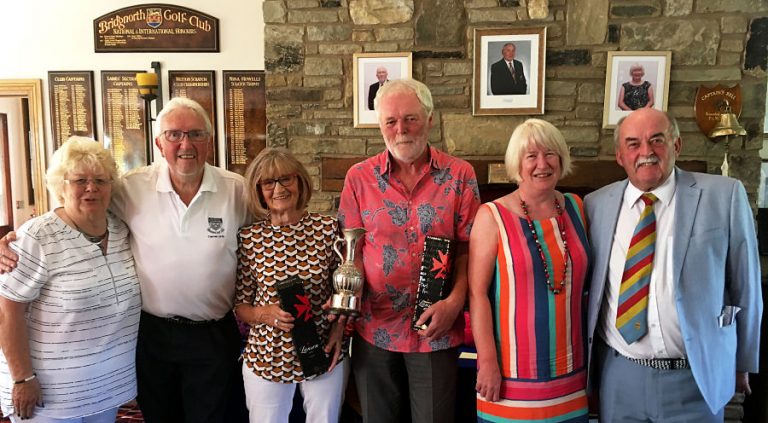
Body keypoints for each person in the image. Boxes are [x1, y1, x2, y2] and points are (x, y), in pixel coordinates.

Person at [584, 108, 762, 422]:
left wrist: (743, 362)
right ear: (620, 156)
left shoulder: (724, 195)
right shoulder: (595, 204)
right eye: (633, 143)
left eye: (657, 140)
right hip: (619, 376)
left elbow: (746, 286)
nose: (646, 152)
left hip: (694, 377)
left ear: (676, 145)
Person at [338, 78, 481, 423]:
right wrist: (345, 303)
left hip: (436, 329)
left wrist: (455, 303)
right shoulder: (359, 178)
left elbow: (468, 248)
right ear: (380, 125)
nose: (400, 129)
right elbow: (350, 251)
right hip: (374, 328)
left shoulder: (460, 175)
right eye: (390, 121)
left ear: (430, 119)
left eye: (410, 119)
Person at [0, 136, 141, 422]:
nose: (91, 188)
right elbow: (6, 313)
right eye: (79, 180)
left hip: (105, 390)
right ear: (61, 187)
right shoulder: (36, 237)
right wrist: (22, 378)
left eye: (100, 180)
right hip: (49, 398)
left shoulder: (122, 231)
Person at [469, 119, 590, 422]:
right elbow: (477, 294)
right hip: (510, 374)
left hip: (572, 373)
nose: (542, 164)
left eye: (550, 154)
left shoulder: (577, 207)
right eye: (531, 156)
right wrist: (487, 362)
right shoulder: (491, 216)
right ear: (517, 163)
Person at [234, 148, 347, 422]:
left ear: (300, 181)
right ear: (259, 190)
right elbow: (240, 306)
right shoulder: (249, 237)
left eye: (286, 179)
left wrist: (339, 329)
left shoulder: (328, 229)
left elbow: (344, 290)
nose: (279, 189)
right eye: (268, 182)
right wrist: (264, 313)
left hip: (322, 349)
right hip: (267, 355)